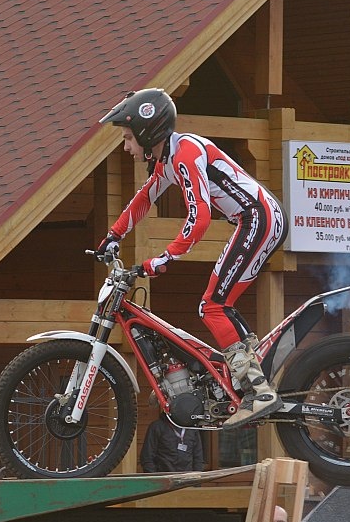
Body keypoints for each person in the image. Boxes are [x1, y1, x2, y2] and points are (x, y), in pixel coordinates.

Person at [96, 88, 288, 427]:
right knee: (219, 305)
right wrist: (113, 235)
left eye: (128, 138)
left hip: (258, 218)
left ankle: (258, 391)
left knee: (212, 306)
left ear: (146, 132)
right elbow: (143, 199)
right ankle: (250, 378)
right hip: (255, 218)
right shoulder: (167, 159)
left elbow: (198, 218)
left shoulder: (184, 154)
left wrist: (164, 258)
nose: (125, 146)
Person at [139, 413, 206, 473]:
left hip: (187, 481)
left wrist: (195, 482)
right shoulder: (157, 426)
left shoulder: (192, 429)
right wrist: (156, 481)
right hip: (164, 481)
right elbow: (147, 458)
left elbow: (198, 459)